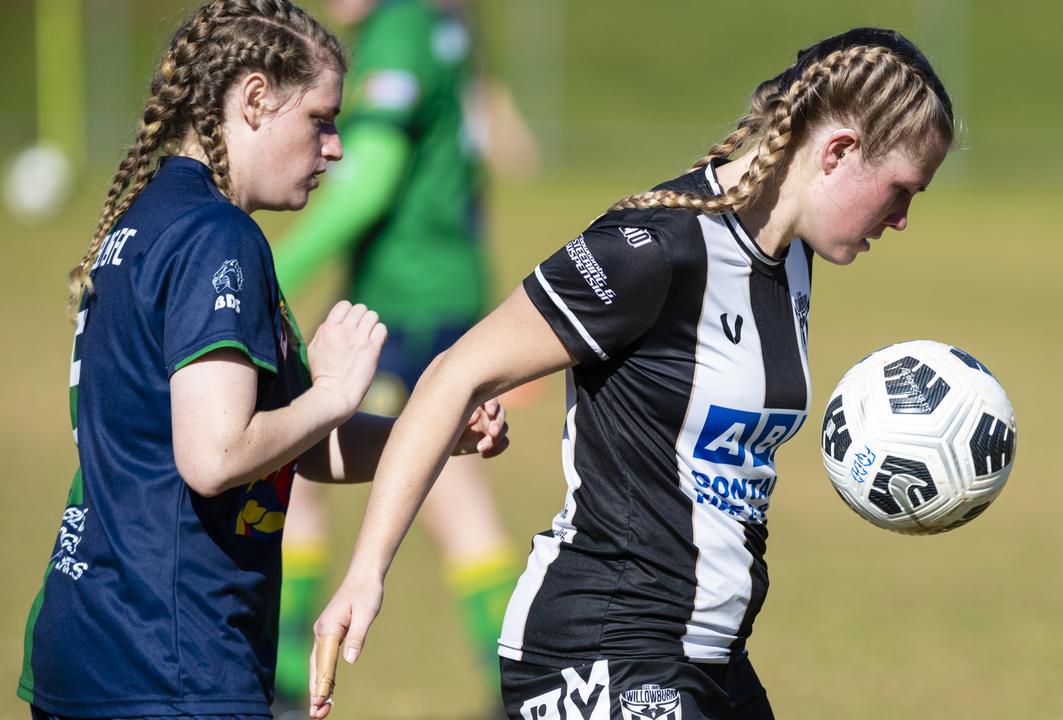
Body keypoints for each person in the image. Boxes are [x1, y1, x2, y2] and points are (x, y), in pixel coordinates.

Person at [310, 27, 955, 720]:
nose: (903, 219)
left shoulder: (791, 258)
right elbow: (453, 375)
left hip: (709, 657)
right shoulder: (649, 251)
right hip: (599, 645)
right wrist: (365, 574)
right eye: (899, 191)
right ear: (837, 152)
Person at [14, 1, 506, 717]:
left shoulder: (146, 221)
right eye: (321, 120)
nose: (335, 147)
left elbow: (289, 441)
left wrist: (439, 430)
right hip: (170, 664)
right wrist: (336, 391)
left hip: (89, 644)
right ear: (253, 100)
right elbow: (215, 456)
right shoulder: (219, 239)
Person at [267, 0, 529, 711]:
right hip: (441, 290)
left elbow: (372, 180)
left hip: (402, 303)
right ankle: (524, 682)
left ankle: (285, 676)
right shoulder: (439, 23)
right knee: (446, 485)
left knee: (310, 455)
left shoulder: (399, 30)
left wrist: (268, 274)